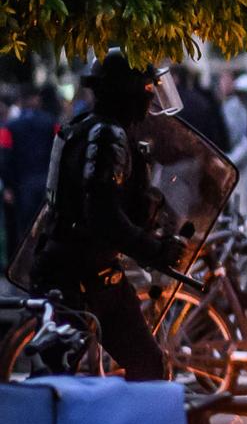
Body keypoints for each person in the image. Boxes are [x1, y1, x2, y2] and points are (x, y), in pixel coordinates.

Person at [26, 49, 187, 380]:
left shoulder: (86, 127)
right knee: (59, 381)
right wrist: (154, 250)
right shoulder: (107, 135)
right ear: (127, 91)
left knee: (148, 366)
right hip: (78, 277)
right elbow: (104, 216)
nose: (151, 98)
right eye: (146, 89)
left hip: (94, 273)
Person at [2, 84, 61, 239]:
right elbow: (59, 151)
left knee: (26, 232)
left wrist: (8, 185)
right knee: (48, 229)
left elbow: (5, 157)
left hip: (22, 186)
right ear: (38, 100)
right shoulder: (51, 122)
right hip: (47, 183)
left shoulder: (10, 127)